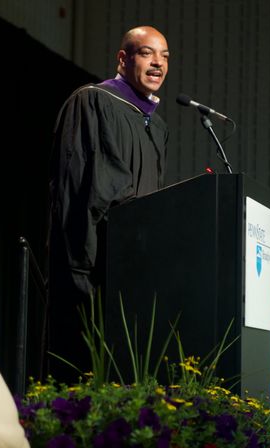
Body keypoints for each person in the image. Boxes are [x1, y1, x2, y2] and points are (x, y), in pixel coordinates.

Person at [45, 26, 170, 381]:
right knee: (86, 362)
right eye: (147, 53)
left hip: (134, 263)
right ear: (123, 59)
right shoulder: (93, 101)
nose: (158, 63)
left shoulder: (156, 125)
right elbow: (93, 187)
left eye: (164, 57)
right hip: (95, 260)